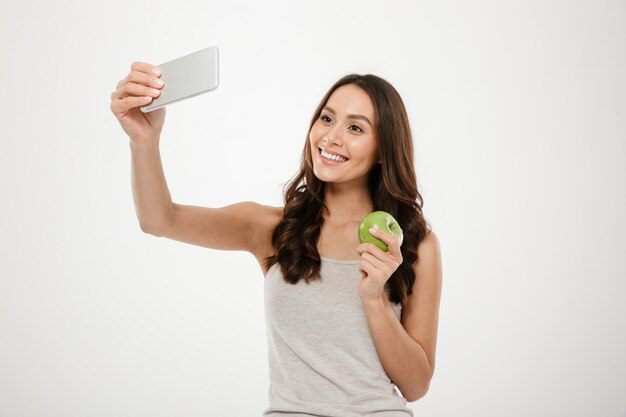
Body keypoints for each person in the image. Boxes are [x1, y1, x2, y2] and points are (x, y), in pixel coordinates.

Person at [110, 62, 443, 417]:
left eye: (356, 127)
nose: (331, 137)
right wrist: (144, 142)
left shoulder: (414, 244)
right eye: (327, 119)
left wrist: (374, 297)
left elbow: (415, 385)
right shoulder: (273, 228)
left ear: (383, 150)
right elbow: (160, 220)